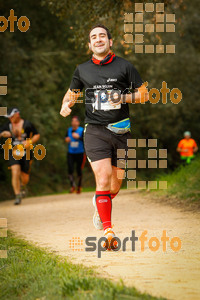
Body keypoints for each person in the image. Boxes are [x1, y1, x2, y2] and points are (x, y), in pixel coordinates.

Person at [60, 24, 148, 249]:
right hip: (95, 130)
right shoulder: (82, 69)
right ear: (89, 44)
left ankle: (101, 204)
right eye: (93, 37)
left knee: (114, 185)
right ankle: (108, 231)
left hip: (121, 131)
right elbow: (71, 94)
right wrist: (65, 105)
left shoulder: (125, 66)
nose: (98, 39)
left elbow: (144, 94)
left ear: (110, 42)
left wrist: (123, 98)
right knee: (103, 177)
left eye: (102, 36)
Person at [0, 108, 40, 205]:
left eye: (12, 117)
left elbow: (37, 135)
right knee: (15, 171)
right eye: (9, 117)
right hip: (13, 150)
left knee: (25, 177)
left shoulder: (27, 124)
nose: (10, 119)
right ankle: (17, 195)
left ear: (17, 114)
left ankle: (23, 186)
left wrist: (29, 142)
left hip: (26, 151)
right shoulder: (8, 125)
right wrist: (2, 134)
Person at [65, 116, 85, 194]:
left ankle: (79, 187)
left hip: (80, 153)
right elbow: (66, 137)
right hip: (71, 153)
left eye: (75, 121)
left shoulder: (81, 130)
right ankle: (72, 186)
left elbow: (85, 140)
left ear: (78, 123)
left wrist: (79, 137)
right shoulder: (69, 130)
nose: (73, 122)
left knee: (79, 170)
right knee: (70, 169)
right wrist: (66, 139)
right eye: (72, 121)